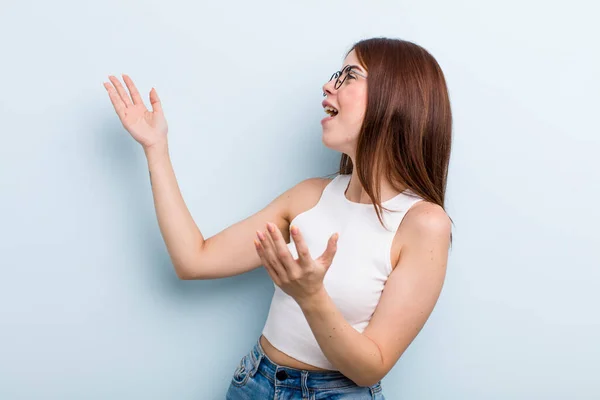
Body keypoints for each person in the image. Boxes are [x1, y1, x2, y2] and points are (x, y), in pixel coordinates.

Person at [103, 37, 453, 399]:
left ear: (395, 99)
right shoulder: (309, 196)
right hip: (253, 383)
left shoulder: (424, 224)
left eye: (350, 76)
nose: (329, 85)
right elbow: (194, 259)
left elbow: (370, 367)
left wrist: (311, 296)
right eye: (338, 73)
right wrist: (155, 148)